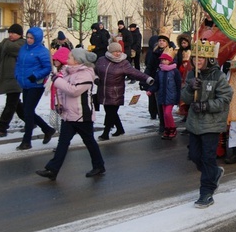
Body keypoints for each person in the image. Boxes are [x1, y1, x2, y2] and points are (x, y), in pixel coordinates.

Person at [35, 48, 105, 180]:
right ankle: (52, 170)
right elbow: (61, 91)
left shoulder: (86, 74)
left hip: (82, 115)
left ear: (78, 60)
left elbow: (74, 91)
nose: (67, 60)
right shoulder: (67, 72)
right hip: (68, 114)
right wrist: (59, 104)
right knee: (62, 143)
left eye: (70, 57)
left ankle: (99, 165)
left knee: (89, 142)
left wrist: (57, 81)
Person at [181, 40, 233, 208]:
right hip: (194, 123)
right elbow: (185, 98)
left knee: (208, 157)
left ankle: (206, 192)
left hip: (211, 123)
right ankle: (214, 173)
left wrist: (206, 106)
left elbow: (225, 99)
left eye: (202, 58)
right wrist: (190, 88)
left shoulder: (217, 76)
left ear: (209, 59)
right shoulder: (191, 74)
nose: (198, 61)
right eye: (195, 57)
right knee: (195, 156)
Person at [95, 42, 153, 140]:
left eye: (119, 51)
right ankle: (120, 129)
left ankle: (105, 133)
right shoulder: (101, 60)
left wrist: (147, 79)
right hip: (103, 91)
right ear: (110, 51)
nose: (118, 53)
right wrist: (95, 78)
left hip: (115, 92)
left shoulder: (123, 63)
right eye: (115, 51)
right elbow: (95, 71)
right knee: (110, 112)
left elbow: (135, 73)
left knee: (110, 113)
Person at [14, 27, 57, 151]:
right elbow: (18, 64)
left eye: (31, 38)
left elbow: (47, 67)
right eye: (27, 37)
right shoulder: (23, 49)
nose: (29, 40)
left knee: (28, 111)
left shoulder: (42, 51)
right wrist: (17, 75)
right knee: (28, 111)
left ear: (37, 38)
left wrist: (36, 76)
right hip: (25, 84)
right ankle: (47, 129)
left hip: (36, 85)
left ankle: (27, 140)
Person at [0, 24, 26, 137]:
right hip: (6, 77)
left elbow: (11, 48)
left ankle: (2, 128)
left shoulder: (22, 44)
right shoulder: (6, 42)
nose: (10, 35)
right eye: (9, 33)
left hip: (16, 79)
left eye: (13, 33)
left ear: (20, 34)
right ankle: (31, 120)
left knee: (10, 104)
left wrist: (5, 42)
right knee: (16, 103)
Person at [147, 53, 183, 140]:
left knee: (167, 113)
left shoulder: (175, 71)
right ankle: (167, 129)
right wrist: (151, 90)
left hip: (171, 96)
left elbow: (178, 85)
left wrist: (178, 98)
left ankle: (172, 129)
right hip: (162, 96)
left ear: (170, 61)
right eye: (162, 60)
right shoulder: (159, 72)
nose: (163, 61)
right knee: (164, 114)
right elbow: (156, 84)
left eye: (165, 60)